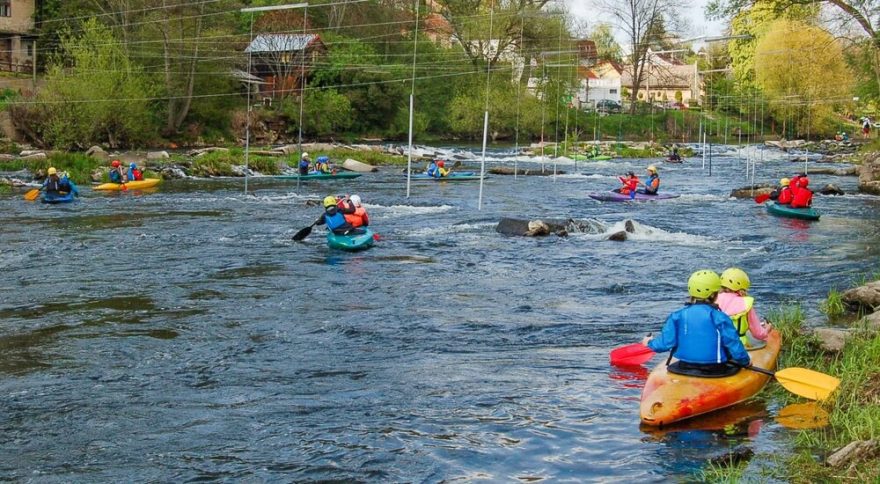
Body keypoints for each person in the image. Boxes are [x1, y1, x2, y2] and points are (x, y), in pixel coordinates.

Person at [641, 270, 751, 377]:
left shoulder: (677, 315)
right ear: (714, 295)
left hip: (684, 366)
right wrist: (746, 362)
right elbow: (733, 344)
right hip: (715, 369)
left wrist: (649, 343)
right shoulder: (720, 317)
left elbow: (665, 343)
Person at [716, 268, 771, 350]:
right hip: (740, 346)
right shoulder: (746, 304)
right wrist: (767, 328)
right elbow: (758, 334)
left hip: (717, 345)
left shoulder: (712, 300)